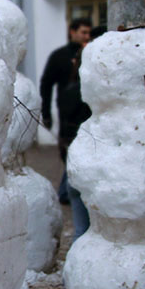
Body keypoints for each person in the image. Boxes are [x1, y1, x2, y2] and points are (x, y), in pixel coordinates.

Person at [40, 18, 92, 202]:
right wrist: (46, 112)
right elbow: (46, 84)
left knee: (80, 153)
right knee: (68, 151)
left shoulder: (90, 53)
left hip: (86, 112)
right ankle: (66, 192)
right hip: (67, 112)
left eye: (88, 33)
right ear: (72, 32)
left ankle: (67, 191)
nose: (86, 36)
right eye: (83, 32)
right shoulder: (60, 56)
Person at [56, 48, 91, 238]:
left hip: (73, 157)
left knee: (80, 230)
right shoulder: (92, 96)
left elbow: (64, 126)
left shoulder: (68, 92)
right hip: (91, 162)